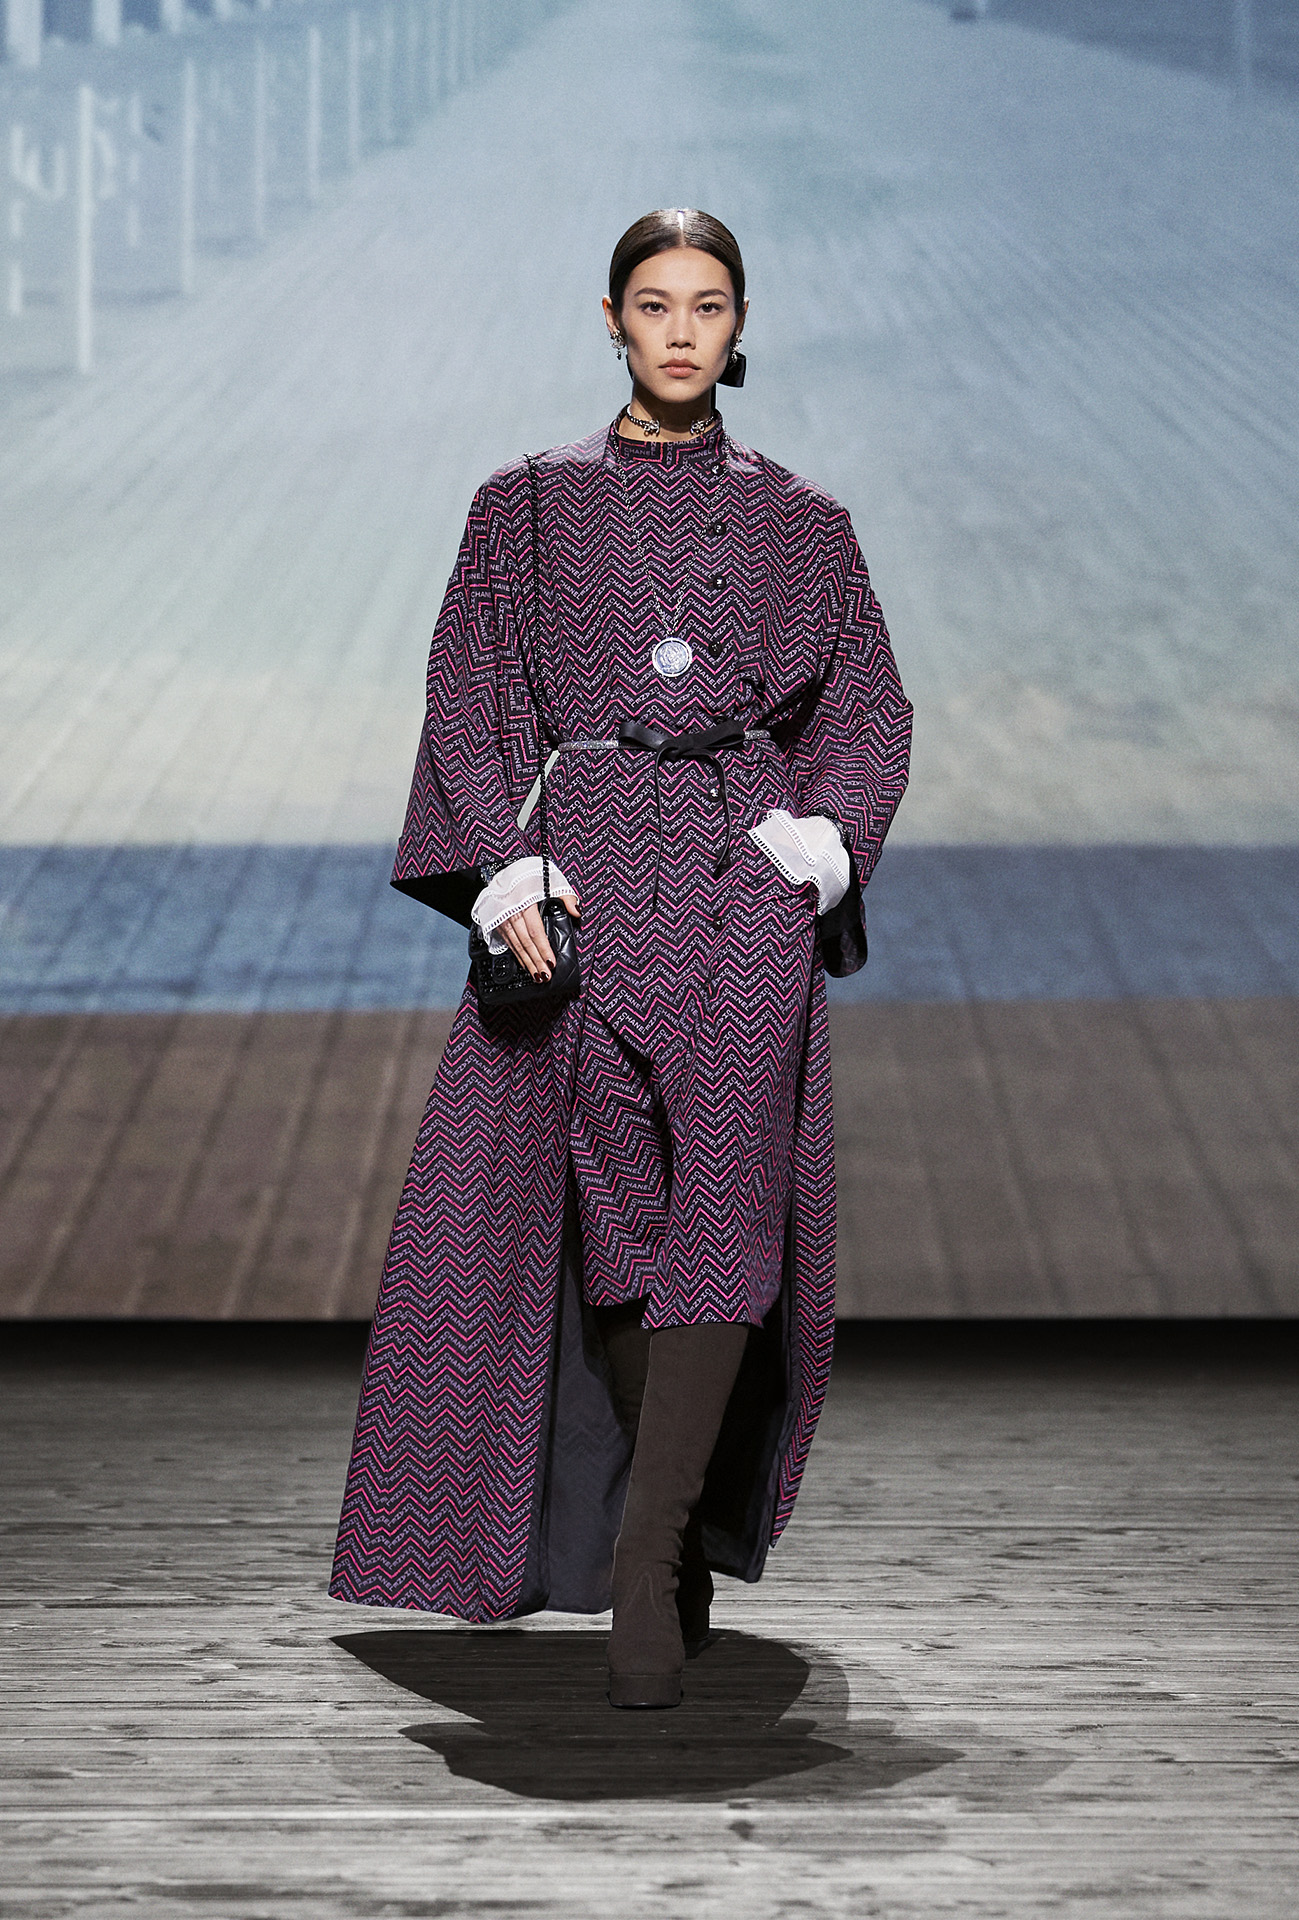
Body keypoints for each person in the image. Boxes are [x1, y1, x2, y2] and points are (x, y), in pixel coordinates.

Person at [330, 208, 912, 1708]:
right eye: (655, 304)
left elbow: (868, 708)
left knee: (727, 1213)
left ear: (740, 325)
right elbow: (471, 697)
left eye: (708, 306)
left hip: (743, 884)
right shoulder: (521, 506)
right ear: (611, 319)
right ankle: (672, 1515)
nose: (681, 331)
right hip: (583, 881)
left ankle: (648, 1554)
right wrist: (501, 865)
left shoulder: (808, 522)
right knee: (618, 1222)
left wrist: (821, 845)